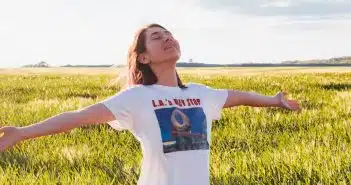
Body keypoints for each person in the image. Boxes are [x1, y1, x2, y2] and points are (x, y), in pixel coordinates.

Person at [0, 23, 301, 185]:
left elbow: (238, 96)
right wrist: (23, 132)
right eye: (157, 37)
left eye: (169, 34)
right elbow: (79, 117)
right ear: (143, 57)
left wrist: (274, 101)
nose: (168, 38)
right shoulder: (137, 97)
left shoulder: (201, 93)